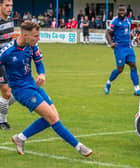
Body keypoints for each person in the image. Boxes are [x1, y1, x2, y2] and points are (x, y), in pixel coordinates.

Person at [0, 20, 92, 157]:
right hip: (21, 91)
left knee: (53, 116)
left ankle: (21, 138)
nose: (38, 39)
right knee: (52, 118)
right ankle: (79, 147)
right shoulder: (7, 52)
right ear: (25, 35)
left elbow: (39, 62)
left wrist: (41, 74)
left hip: (33, 85)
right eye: (35, 36)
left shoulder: (32, 46)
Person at [104, 5, 140, 96]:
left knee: (133, 65)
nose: (121, 12)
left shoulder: (128, 20)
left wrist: (135, 38)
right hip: (119, 47)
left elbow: (128, 32)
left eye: (123, 10)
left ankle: (137, 89)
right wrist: (111, 43)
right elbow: (107, 33)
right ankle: (108, 83)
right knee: (120, 69)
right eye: (120, 10)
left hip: (128, 47)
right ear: (117, 11)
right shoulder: (115, 21)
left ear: (126, 11)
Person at [0, 0, 15, 129]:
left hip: (8, 60)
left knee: (15, 91)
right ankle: (2, 121)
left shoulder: (10, 20)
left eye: (11, 5)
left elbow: (9, 40)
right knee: (6, 92)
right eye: (7, 5)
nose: (9, 8)